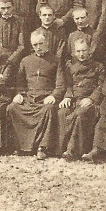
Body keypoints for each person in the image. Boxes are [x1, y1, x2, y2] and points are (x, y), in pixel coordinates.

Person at [6, 29, 66, 160]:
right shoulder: (25, 61)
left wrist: (54, 96)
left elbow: (60, 85)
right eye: (35, 45)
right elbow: (20, 84)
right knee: (12, 107)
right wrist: (19, 94)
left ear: (47, 43)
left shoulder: (56, 60)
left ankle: (42, 147)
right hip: (30, 97)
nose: (38, 47)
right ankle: (21, 146)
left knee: (49, 109)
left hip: (46, 97)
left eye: (40, 43)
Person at [56, 37, 105, 161]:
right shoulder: (69, 66)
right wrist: (67, 97)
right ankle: (60, 148)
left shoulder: (98, 66)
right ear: (73, 52)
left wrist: (92, 99)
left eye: (84, 50)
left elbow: (101, 86)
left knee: (80, 113)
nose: (81, 54)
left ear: (89, 50)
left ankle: (72, 150)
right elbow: (68, 84)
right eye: (78, 51)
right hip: (74, 100)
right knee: (62, 112)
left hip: (90, 102)